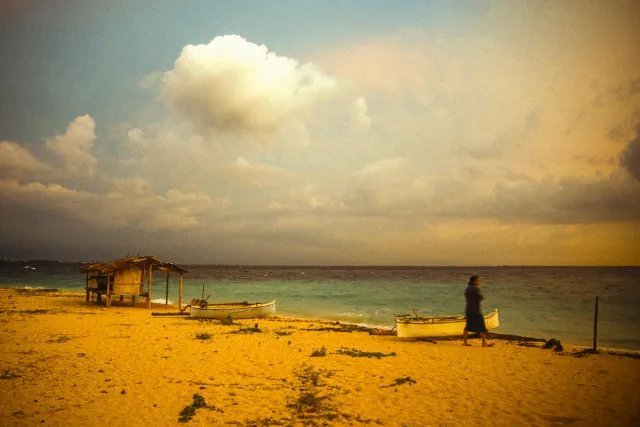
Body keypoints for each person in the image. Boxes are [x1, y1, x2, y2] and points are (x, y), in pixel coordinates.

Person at [463, 275, 493, 347]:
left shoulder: (467, 289)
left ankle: (465, 342)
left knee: (467, 327)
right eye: (478, 280)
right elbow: (480, 298)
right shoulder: (476, 289)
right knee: (482, 327)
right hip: (476, 310)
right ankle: (484, 343)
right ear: (474, 281)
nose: (479, 282)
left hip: (468, 310)